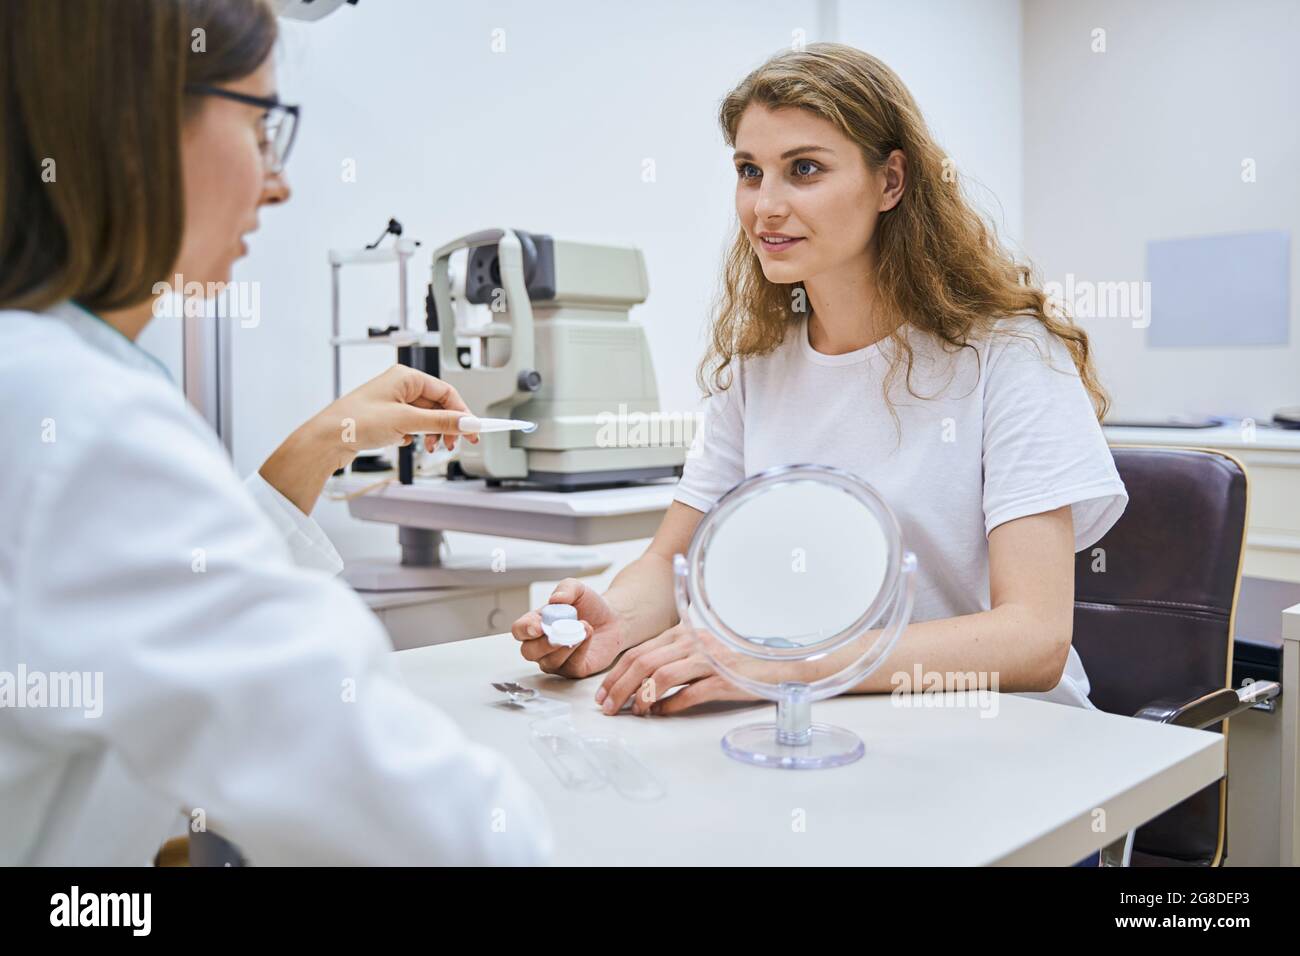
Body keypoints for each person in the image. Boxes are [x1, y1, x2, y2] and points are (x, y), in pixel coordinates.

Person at [0, 0, 548, 865]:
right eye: (262, 129)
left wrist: (323, 441)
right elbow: (418, 821)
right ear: (135, 123)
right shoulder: (79, 416)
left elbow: (153, 597)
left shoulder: (40, 372)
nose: (277, 181)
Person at [511, 43, 1128, 718]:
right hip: (821, 720)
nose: (764, 206)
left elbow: (1034, 640)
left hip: (1004, 736)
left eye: (803, 169)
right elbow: (669, 565)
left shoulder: (1009, 354)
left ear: (891, 181)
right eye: (750, 172)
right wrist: (614, 623)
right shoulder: (759, 364)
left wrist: (786, 666)